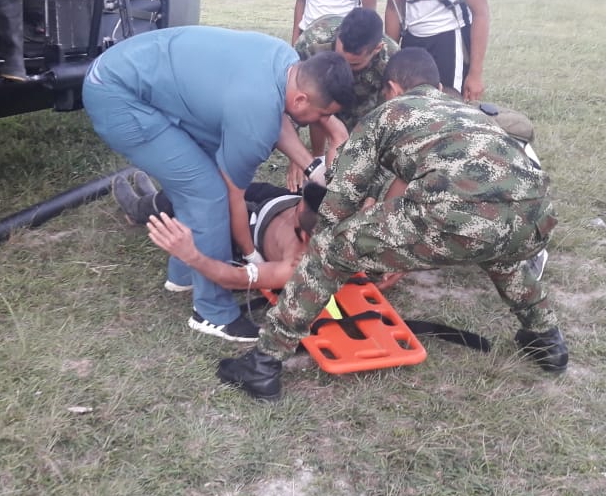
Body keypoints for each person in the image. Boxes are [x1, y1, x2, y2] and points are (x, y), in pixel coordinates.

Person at [217, 48, 568, 401]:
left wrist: (325, 255)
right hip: (536, 217)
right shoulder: (466, 110)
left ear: (392, 89)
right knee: (502, 253)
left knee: (329, 248)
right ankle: (547, 341)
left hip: (456, 213)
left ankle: (263, 365)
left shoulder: (384, 116)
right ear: (437, 85)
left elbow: (340, 200)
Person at [83, 26, 354, 343]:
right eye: (321, 114)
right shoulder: (254, 119)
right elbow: (232, 195)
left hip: (128, 68)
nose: (318, 121)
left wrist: (312, 168)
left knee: (196, 181)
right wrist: (251, 256)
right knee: (208, 193)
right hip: (118, 95)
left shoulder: (286, 60)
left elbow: (277, 114)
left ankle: (183, 276)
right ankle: (212, 312)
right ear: (302, 98)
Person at [114, 171, 327, 292]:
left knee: (202, 194)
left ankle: (139, 210)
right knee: (216, 183)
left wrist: (192, 256)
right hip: (275, 199)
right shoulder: (335, 215)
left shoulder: (294, 267)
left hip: (252, 222)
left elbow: (232, 278)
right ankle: (156, 202)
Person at [290, 7, 398, 190]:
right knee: (316, 106)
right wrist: (296, 154)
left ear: (377, 49)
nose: (345, 68)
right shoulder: (312, 42)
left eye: (354, 64)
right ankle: (318, 160)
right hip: (324, 95)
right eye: (340, 58)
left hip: (363, 103)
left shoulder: (391, 59)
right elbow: (292, 96)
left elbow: (389, 114)